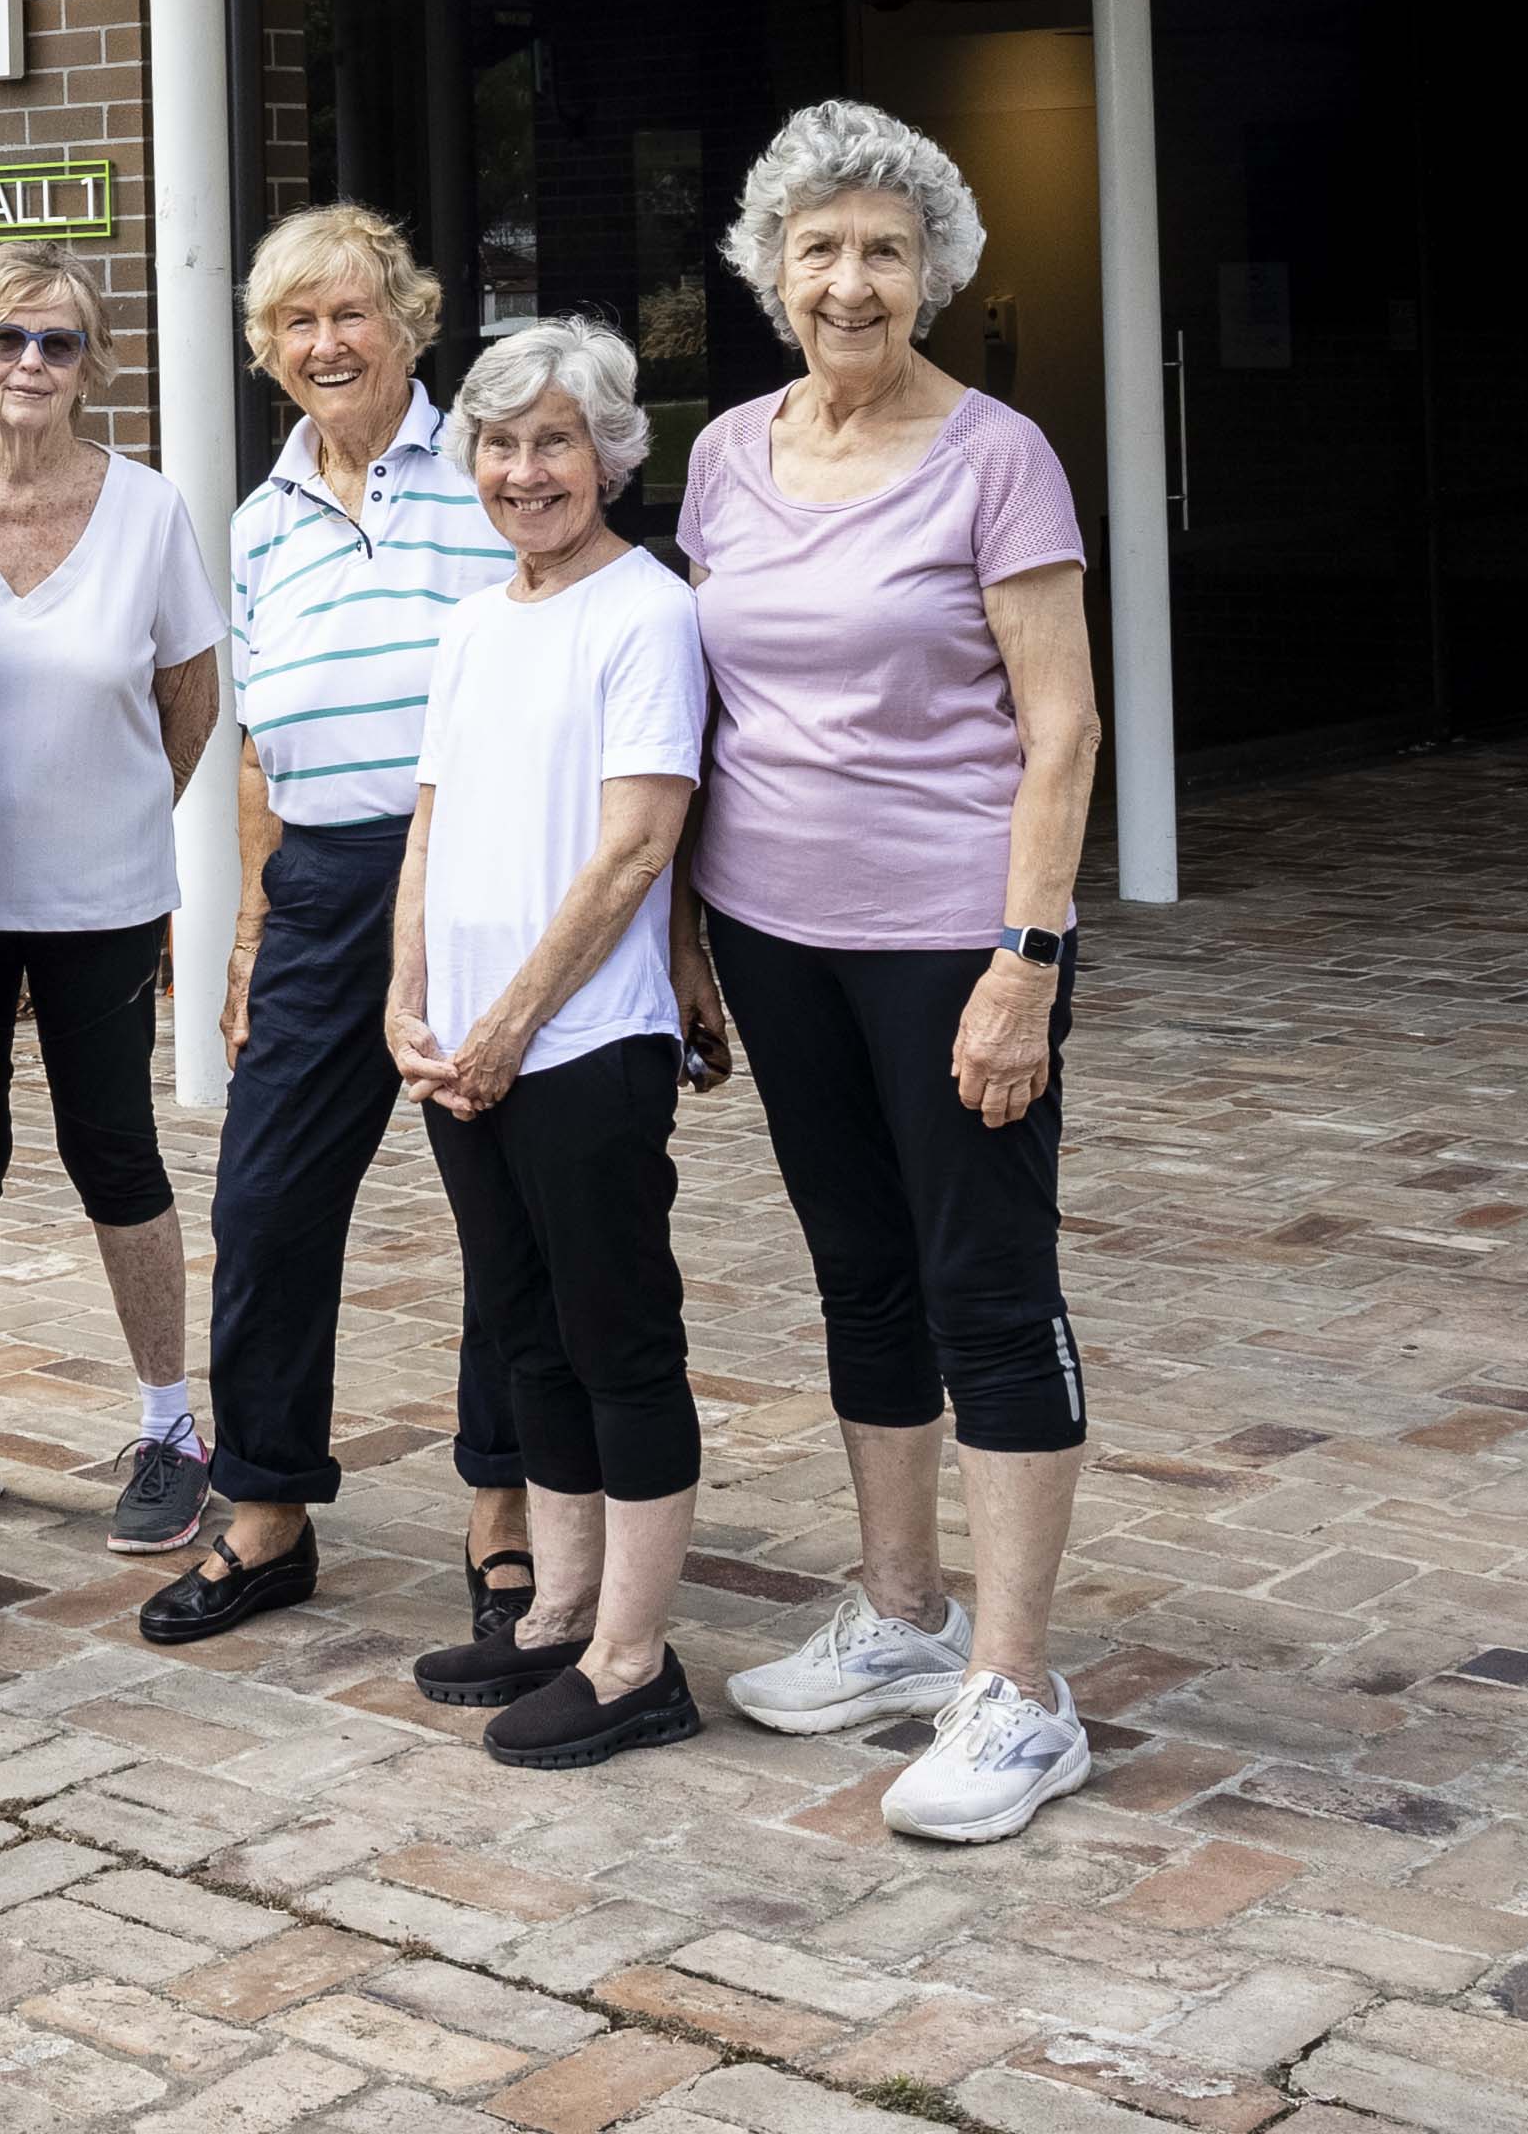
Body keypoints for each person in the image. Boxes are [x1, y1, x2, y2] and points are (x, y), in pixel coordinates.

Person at [675, 99, 1110, 1846]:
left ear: (935, 269)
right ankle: (905, 1620)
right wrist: (691, 935)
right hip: (777, 933)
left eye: (885, 250)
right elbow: (711, 711)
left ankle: (1020, 1690)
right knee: (861, 1269)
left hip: (954, 935)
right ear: (770, 267)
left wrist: (1029, 957)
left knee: (986, 1285)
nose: (851, 282)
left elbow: (1064, 725)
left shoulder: (998, 454)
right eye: (821, 248)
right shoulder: (724, 454)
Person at [146, 203, 537, 1653]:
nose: (326, 343)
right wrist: (248, 931)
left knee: (503, 1209)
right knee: (266, 1205)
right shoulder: (255, 524)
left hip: (485, 880)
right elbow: (252, 749)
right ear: (267, 350)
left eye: (351, 313)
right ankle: (264, 1513)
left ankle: (504, 1517)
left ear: (411, 323)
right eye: (295, 323)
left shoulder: (491, 477)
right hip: (317, 888)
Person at [393, 317, 711, 1771]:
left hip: (581, 1041)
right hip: (462, 1054)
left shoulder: (647, 613)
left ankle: (639, 1658)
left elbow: (637, 847)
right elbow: (433, 823)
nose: (527, 472)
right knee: (525, 1333)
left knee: (616, 1338)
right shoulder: (472, 621)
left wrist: (513, 1022)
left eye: (557, 443)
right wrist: (407, 1002)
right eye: (503, 446)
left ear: (612, 459)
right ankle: (561, 1616)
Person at [0, 243, 226, 1556]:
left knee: (116, 1154)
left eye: (59, 343)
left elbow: (191, 700)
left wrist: (120, 809)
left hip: (102, 899)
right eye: (5, 340)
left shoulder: (149, 513)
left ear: (93, 365)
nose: (31, 364)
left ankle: (168, 1432)